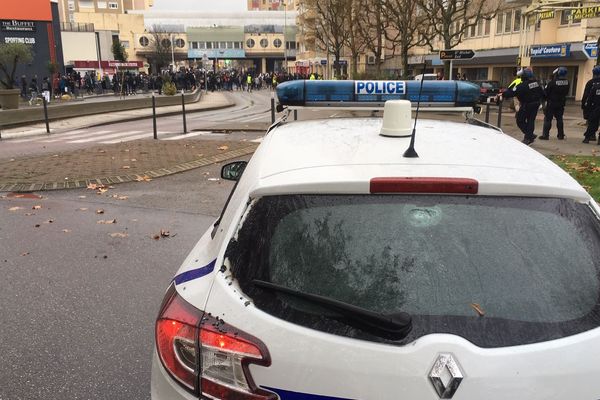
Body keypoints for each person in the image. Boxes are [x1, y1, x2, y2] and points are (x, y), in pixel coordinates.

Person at [501, 68, 544, 145]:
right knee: (531, 121)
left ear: (523, 76)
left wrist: (503, 94)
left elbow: (512, 93)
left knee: (520, 120)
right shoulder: (536, 83)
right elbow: (542, 93)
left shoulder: (522, 85)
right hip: (536, 104)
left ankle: (528, 137)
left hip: (527, 105)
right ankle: (529, 135)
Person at [540, 67, 569, 140]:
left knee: (548, 119)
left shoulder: (552, 82)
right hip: (561, 103)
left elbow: (546, 93)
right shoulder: (567, 82)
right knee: (559, 119)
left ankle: (545, 135)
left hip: (551, 103)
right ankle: (561, 135)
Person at [581, 66, 600, 144]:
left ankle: (588, 137)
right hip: (595, 106)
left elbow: (587, 96)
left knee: (592, 123)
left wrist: (584, 106)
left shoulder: (591, 83)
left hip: (594, 107)